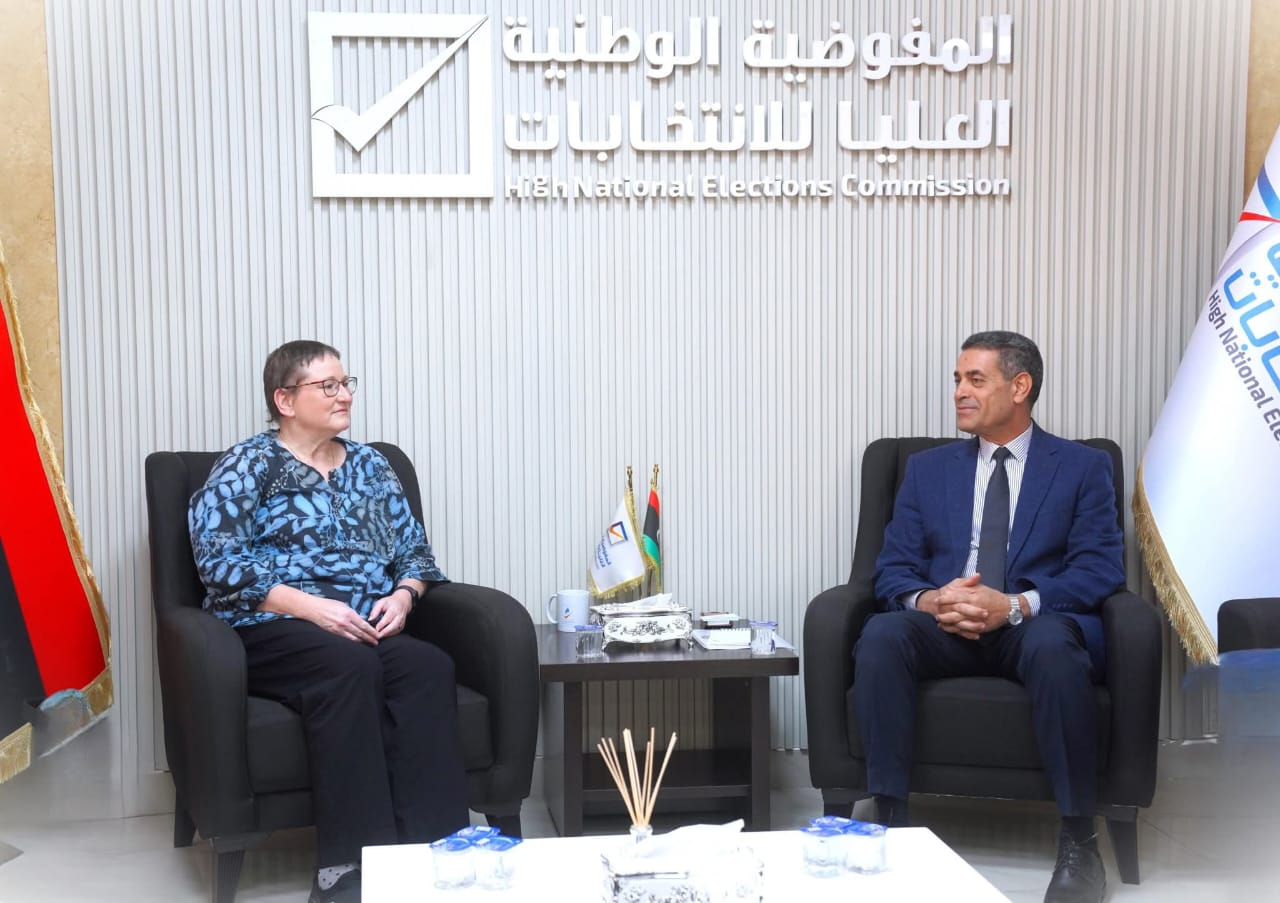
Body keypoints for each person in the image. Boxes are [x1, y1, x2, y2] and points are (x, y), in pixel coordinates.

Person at [188, 340, 470, 903]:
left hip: (363, 624)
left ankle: (435, 858)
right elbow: (217, 560)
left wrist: (404, 596)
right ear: (285, 400)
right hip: (271, 625)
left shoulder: (372, 465)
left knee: (426, 666)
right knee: (347, 666)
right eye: (328, 386)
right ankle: (349, 870)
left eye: (346, 383)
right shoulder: (248, 464)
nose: (344, 395)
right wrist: (310, 607)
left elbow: (415, 552)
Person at [854, 331, 1124, 903]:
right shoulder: (926, 470)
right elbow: (893, 568)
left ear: (1019, 387)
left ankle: (1079, 842)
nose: (959, 392)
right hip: (946, 624)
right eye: (957, 379)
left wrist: (1016, 604)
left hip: (1030, 624)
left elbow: (1100, 569)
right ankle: (891, 826)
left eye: (975, 379)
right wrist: (932, 600)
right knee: (882, 635)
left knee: (1055, 648)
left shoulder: (1083, 467)